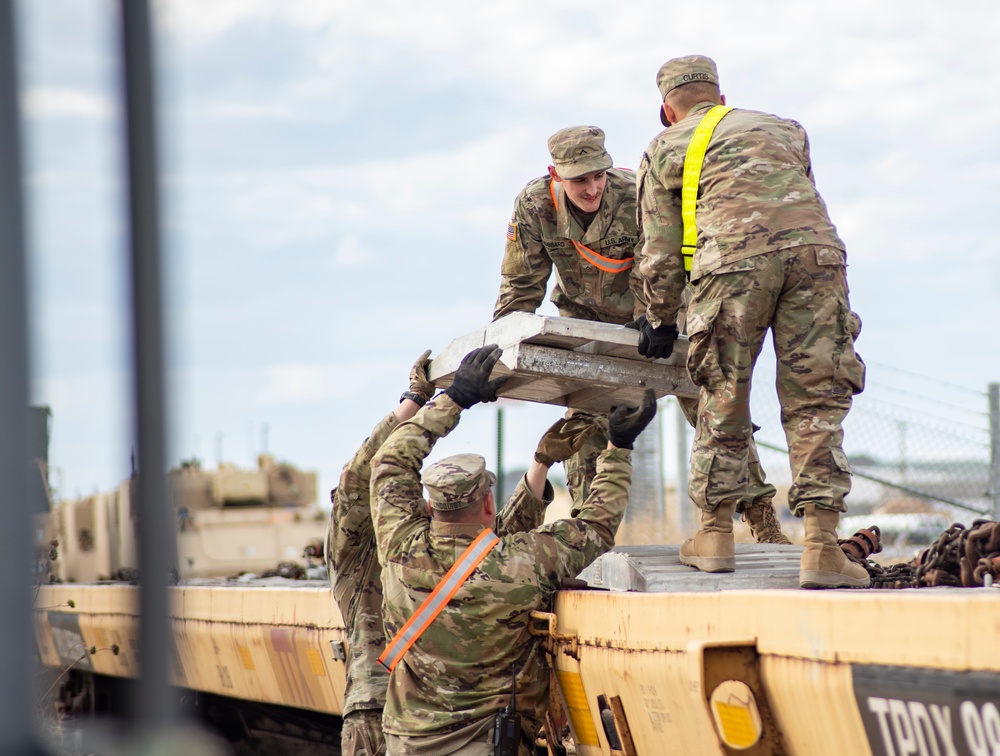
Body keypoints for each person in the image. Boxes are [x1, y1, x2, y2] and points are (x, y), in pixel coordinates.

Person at [634, 54, 868, 588]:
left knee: (722, 390)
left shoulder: (665, 146)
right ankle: (822, 546)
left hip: (733, 263)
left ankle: (714, 535)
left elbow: (661, 249)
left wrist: (660, 317)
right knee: (816, 399)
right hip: (818, 256)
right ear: (719, 96)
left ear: (667, 109)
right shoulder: (786, 128)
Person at [494, 125, 789, 544]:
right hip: (587, 319)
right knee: (585, 418)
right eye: (580, 179)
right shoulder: (535, 205)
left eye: (598, 175)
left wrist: (656, 317)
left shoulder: (635, 193)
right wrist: (504, 351)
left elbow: (665, 258)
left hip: (657, 312)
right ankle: (586, 533)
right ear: (555, 174)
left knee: (711, 403)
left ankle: (762, 519)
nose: (593, 188)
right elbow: (520, 285)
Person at [371, 345, 656, 755]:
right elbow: (594, 526)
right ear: (488, 503)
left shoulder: (399, 548)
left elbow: (389, 461)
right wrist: (618, 445)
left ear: (431, 507)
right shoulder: (521, 563)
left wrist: (455, 399)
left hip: (407, 745)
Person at [327, 352, 596, 755]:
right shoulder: (358, 544)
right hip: (382, 712)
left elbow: (488, 559)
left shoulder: (413, 541)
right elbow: (361, 476)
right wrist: (417, 401)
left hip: (428, 718)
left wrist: (539, 467)